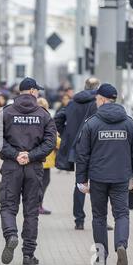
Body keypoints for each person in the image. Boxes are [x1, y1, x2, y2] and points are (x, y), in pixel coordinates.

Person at [76, 83, 133, 265]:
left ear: (102, 100)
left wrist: (81, 180)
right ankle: (121, 245)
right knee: (121, 214)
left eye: (97, 99)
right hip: (121, 177)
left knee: (99, 216)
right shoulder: (129, 123)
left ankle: (100, 257)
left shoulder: (92, 123)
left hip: (98, 178)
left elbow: (82, 154)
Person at [0, 77, 57, 265]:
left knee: (8, 206)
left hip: (12, 167)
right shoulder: (43, 114)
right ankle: (28, 255)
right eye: (37, 91)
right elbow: (50, 142)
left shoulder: (6, 112)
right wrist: (31, 155)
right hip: (34, 168)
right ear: (32, 91)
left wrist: (15, 154)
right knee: (31, 212)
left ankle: (11, 235)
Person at [54, 77, 111, 231]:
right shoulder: (97, 103)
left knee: (80, 183)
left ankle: (79, 220)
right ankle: (101, 220)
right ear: (97, 88)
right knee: (99, 184)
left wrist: (66, 134)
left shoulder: (73, 102)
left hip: (77, 149)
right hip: (96, 148)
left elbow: (58, 118)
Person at [37, 97, 61, 215]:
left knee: (40, 182)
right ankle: (38, 205)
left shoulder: (35, 118)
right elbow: (53, 139)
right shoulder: (47, 120)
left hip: (37, 156)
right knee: (43, 182)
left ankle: (37, 205)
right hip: (45, 157)